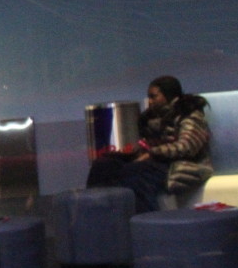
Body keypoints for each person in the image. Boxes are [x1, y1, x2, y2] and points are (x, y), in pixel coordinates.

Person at [86, 75, 212, 213]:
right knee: (103, 165)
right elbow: (147, 145)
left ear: (168, 95)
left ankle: (146, 220)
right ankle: (94, 213)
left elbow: (187, 147)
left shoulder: (189, 114)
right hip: (155, 162)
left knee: (135, 174)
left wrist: (152, 153)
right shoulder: (150, 118)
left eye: (154, 97)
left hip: (181, 165)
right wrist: (135, 152)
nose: (150, 101)